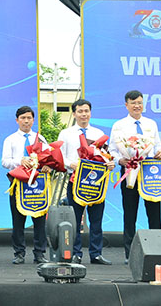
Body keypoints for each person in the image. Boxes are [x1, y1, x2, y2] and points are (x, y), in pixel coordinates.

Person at [58, 99, 114, 265]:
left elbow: (106, 155)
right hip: (75, 181)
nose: (84, 114)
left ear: (90, 112)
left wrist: (110, 163)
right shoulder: (66, 134)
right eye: (80, 111)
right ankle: (76, 253)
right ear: (74, 113)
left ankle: (96, 253)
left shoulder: (98, 133)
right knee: (75, 219)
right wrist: (71, 164)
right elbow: (60, 157)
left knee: (96, 219)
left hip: (96, 183)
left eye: (86, 111)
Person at [111, 90, 161, 263]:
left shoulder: (151, 124)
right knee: (130, 213)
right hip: (128, 170)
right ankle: (130, 254)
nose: (137, 106)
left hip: (150, 171)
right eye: (133, 103)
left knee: (154, 212)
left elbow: (157, 145)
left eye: (140, 102)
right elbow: (112, 149)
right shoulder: (119, 125)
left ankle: (157, 251)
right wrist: (120, 160)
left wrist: (160, 151)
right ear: (126, 105)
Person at [1, 105, 47, 264]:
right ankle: (19, 253)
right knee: (18, 220)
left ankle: (40, 253)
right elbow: (5, 162)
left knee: (39, 220)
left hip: (37, 185)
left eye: (29, 118)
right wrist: (19, 161)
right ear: (17, 120)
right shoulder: (10, 139)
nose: (26, 121)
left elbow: (47, 159)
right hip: (18, 184)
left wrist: (47, 166)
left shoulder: (40, 139)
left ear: (33, 120)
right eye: (23, 118)